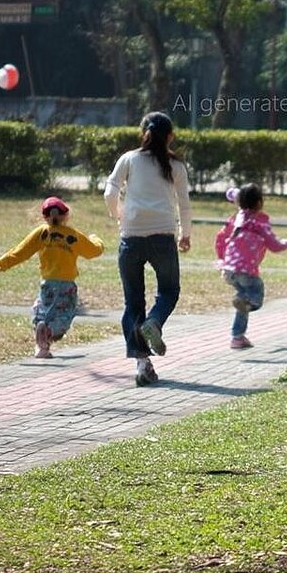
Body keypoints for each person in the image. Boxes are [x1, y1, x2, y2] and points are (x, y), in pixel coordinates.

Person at [104, 112, 192, 386]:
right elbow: (184, 204)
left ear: (143, 132)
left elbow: (110, 190)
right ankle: (154, 322)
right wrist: (185, 234)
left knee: (133, 302)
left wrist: (118, 215)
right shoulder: (175, 165)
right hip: (163, 237)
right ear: (170, 136)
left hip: (131, 237)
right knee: (169, 291)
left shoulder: (129, 159)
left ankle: (142, 364)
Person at [0, 196, 104, 358]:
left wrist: (2, 263)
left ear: (44, 217)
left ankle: (42, 345)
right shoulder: (72, 235)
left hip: (47, 284)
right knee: (65, 315)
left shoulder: (42, 233)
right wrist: (96, 240)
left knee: (44, 312)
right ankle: (49, 332)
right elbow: (93, 251)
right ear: (67, 215)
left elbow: (20, 251)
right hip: (67, 286)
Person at [215, 184, 287, 349]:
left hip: (228, 270)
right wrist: (286, 243)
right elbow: (275, 246)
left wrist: (222, 258)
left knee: (244, 301)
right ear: (259, 203)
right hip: (246, 271)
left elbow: (235, 196)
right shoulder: (259, 223)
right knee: (256, 292)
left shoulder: (237, 219)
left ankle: (237, 337)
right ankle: (245, 302)